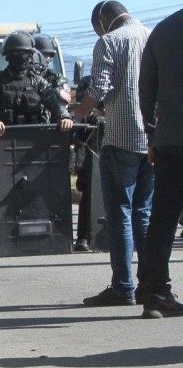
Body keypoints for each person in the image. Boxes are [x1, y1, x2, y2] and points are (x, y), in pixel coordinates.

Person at [71, 1, 152, 306]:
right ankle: (150, 284)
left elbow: (100, 87)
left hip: (121, 138)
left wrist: (81, 110)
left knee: (120, 214)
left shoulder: (109, 41)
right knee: (144, 214)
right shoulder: (151, 35)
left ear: (104, 21)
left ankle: (123, 287)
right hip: (152, 139)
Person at [0, 31, 74, 257]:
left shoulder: (38, 81)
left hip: (36, 145)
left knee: (42, 188)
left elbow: (53, 102)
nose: (21, 59)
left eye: (25, 54)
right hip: (5, 145)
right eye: (16, 54)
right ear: (7, 56)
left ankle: (46, 236)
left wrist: (65, 117)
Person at [135, 6, 183, 317]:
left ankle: (154, 293)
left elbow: (146, 90)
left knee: (162, 221)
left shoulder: (164, 30)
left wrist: (152, 136)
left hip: (170, 142)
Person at [70, 75, 104, 252]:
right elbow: (78, 131)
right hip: (89, 152)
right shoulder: (89, 81)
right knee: (87, 191)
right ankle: (82, 237)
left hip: (114, 147)